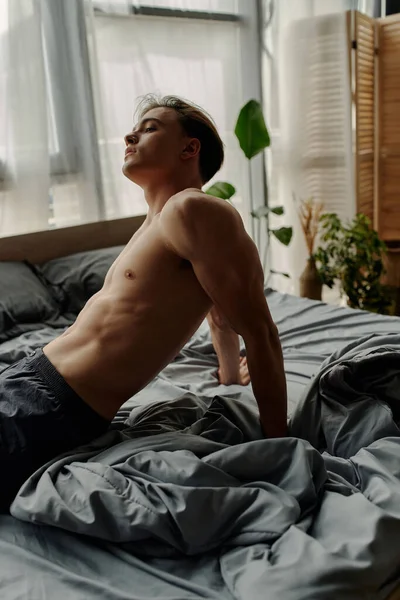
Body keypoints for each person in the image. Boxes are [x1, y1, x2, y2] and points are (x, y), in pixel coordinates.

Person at [0, 94, 287, 511]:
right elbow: (218, 311)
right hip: (29, 374)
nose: (129, 134)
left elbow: (259, 330)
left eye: (151, 127)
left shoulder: (194, 209)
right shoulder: (155, 224)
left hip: (54, 405)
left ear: (190, 149)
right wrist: (228, 373)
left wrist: (279, 443)